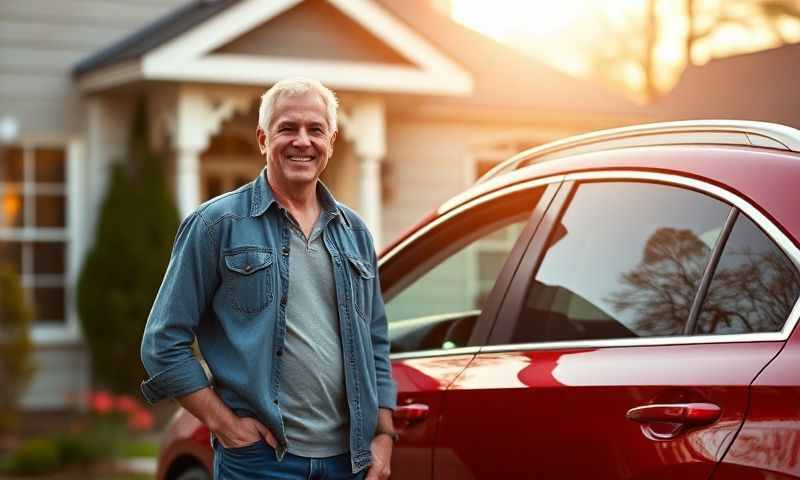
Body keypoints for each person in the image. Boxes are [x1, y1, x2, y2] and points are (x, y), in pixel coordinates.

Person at [140, 78, 397, 480]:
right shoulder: (216, 225)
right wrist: (224, 425)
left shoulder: (355, 232)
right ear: (263, 139)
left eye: (315, 130)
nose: (302, 141)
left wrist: (383, 435)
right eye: (287, 128)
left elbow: (376, 342)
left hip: (349, 463)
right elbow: (162, 342)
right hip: (260, 462)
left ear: (331, 140)